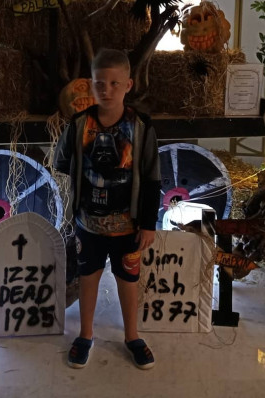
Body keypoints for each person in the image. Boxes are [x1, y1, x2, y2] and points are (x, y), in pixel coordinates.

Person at [54, 48, 161, 370]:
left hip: (129, 225)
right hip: (88, 223)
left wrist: (149, 223)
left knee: (128, 279)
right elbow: (63, 163)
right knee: (88, 277)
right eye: (100, 83)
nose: (107, 90)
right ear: (91, 84)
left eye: (115, 83)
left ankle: (132, 336)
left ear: (128, 85)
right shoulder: (78, 124)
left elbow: (152, 177)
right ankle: (85, 334)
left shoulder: (141, 127)